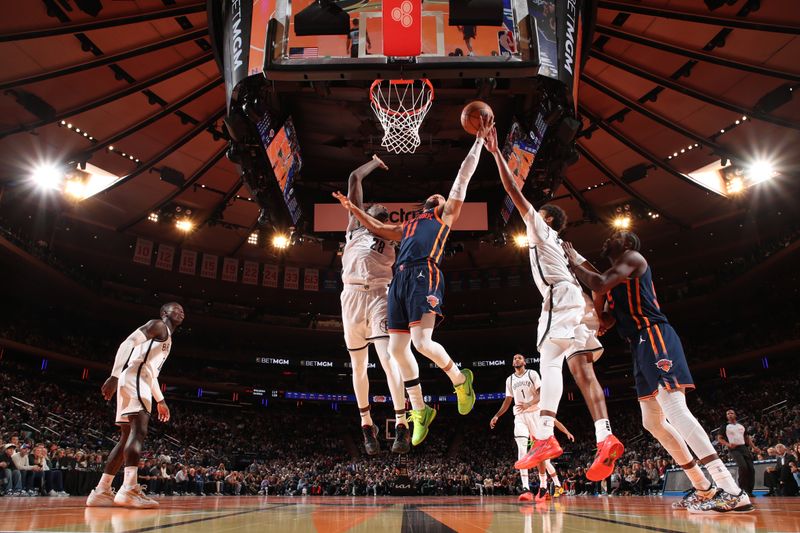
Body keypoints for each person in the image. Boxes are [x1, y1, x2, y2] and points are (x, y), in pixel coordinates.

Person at [563, 231, 753, 514]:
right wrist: (600, 314)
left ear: (627, 244)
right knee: (652, 422)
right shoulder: (617, 281)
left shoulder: (632, 258)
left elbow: (598, 281)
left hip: (654, 336)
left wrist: (571, 260)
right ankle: (703, 488)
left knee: (675, 409)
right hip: (639, 346)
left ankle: (732, 490)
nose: (608, 237)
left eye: (615, 235)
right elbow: (605, 299)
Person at [331, 115, 493, 447]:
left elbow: (462, 177)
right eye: (436, 195)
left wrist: (478, 142)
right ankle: (420, 411)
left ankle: (460, 381)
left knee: (419, 344)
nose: (440, 195)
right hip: (397, 283)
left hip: (422, 273)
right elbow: (374, 226)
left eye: (443, 195)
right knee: (396, 349)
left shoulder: (444, 216)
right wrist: (352, 208)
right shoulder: (405, 227)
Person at [483, 127, 623, 481]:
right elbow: (593, 274)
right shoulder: (565, 245)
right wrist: (601, 311)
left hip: (558, 299)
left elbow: (513, 191)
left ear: (545, 219)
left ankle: (544, 437)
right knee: (581, 370)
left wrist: (497, 153)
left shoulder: (541, 228)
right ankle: (604, 436)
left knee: (549, 362)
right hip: (578, 302)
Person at [340, 155, 408, 454]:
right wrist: (374, 162)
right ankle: (367, 425)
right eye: (373, 207)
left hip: (381, 295)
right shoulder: (355, 226)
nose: (380, 207)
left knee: (388, 358)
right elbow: (354, 177)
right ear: (365, 212)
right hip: (351, 297)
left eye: (385, 211)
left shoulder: (393, 236)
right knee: (358, 366)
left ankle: (402, 424)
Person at [85, 302, 184, 509]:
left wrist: (161, 400)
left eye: (182, 310)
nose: (181, 311)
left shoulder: (168, 338)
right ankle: (129, 489)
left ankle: (101, 490)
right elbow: (127, 343)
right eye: (176, 308)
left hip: (139, 380)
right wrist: (114, 374)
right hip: (134, 379)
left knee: (125, 438)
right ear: (164, 312)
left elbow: (152, 373)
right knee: (139, 431)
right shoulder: (158, 325)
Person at [490, 354, 574, 502]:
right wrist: (497, 415)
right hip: (520, 416)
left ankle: (543, 487)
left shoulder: (532, 374)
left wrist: (529, 404)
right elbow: (508, 400)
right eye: (514, 358)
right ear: (512, 363)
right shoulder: (509, 380)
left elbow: (542, 393)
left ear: (525, 362)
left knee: (541, 452)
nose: (516, 359)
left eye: (519, 358)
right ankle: (526, 488)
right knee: (522, 448)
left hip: (535, 413)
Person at [717, 409, 760, 496]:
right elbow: (719, 438)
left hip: (744, 447)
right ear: (726, 416)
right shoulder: (724, 426)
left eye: (731, 413)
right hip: (734, 448)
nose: (729, 415)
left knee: (751, 469)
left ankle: (749, 491)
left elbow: (747, 438)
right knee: (743, 467)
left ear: (735, 415)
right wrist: (728, 444)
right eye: (728, 414)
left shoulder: (741, 425)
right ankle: (742, 490)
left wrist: (754, 447)